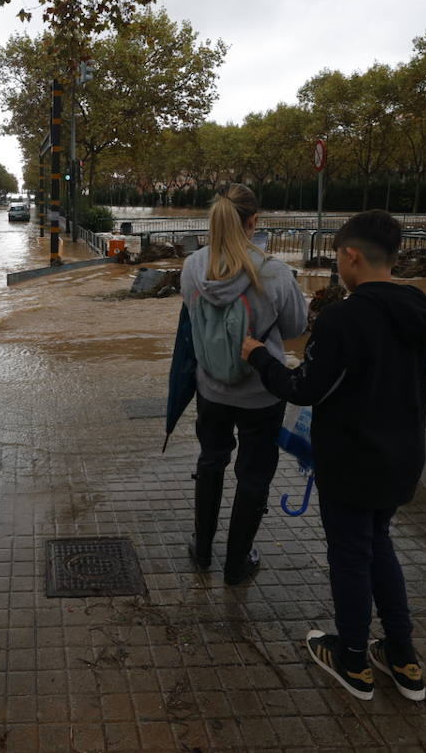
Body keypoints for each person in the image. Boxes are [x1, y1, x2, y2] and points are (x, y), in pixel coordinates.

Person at [241, 209, 426, 703]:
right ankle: (402, 657)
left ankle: (352, 661)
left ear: (352, 255)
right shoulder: (419, 311)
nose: (338, 266)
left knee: (351, 556)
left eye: (338, 257)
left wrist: (259, 356)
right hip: (401, 458)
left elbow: (304, 389)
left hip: (354, 461)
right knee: (379, 546)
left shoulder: (345, 318)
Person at [181, 183, 308, 584]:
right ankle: (237, 564)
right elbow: (294, 328)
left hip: (211, 387)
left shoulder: (193, 267)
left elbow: (191, 315)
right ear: (254, 222)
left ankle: (202, 551)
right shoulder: (274, 271)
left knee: (211, 460)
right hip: (261, 393)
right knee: (253, 476)